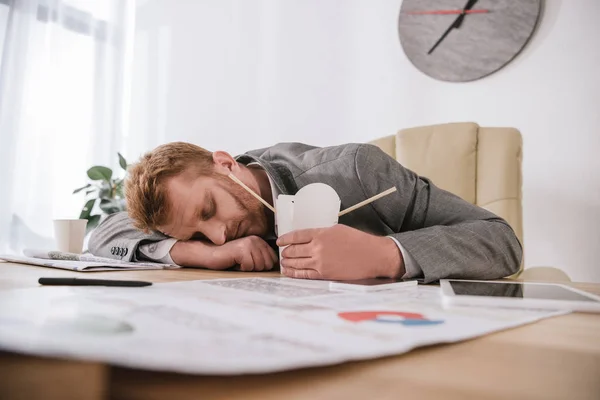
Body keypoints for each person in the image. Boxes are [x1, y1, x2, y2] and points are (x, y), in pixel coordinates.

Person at [88, 142, 522, 283]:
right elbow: (102, 235)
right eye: (198, 232)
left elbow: (501, 240)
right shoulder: (210, 235)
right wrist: (198, 254)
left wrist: (385, 254)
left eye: (209, 210)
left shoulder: (357, 170)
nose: (219, 234)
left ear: (225, 163)